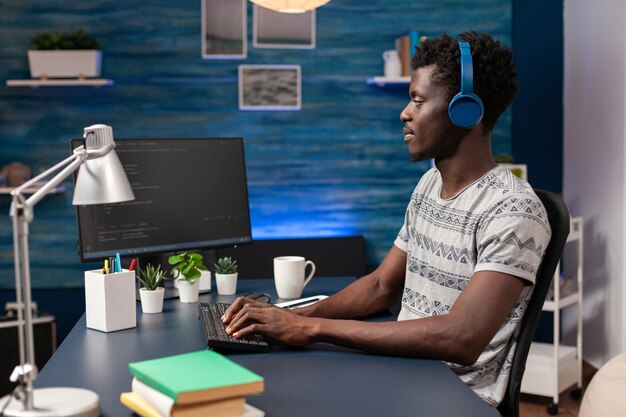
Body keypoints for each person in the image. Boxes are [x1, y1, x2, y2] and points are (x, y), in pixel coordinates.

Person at [222, 31, 552, 407]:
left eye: (417, 100)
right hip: (406, 369)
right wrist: (290, 317)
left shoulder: (513, 210)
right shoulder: (429, 184)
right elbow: (381, 284)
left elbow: (461, 337)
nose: (405, 113)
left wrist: (310, 328)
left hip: (454, 396)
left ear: (467, 111)